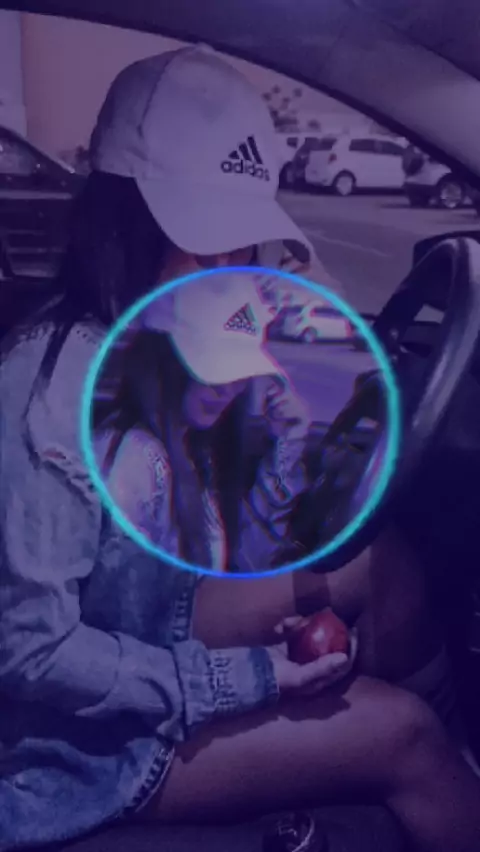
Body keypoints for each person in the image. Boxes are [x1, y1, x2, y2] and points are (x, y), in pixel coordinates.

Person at [0, 44, 479, 852]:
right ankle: (438, 773)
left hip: (144, 609)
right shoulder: (46, 398)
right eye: (204, 243)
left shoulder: (157, 332)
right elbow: (32, 650)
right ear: (123, 223)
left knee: (378, 563)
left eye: (242, 244)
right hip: (76, 748)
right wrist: (243, 679)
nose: (226, 270)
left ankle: (457, 758)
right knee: (403, 735)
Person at [94, 272, 312, 574]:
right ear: (165, 361)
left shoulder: (197, 450)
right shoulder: (135, 461)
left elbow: (246, 562)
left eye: (239, 375)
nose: (227, 389)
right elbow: (126, 597)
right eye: (213, 372)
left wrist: (288, 442)